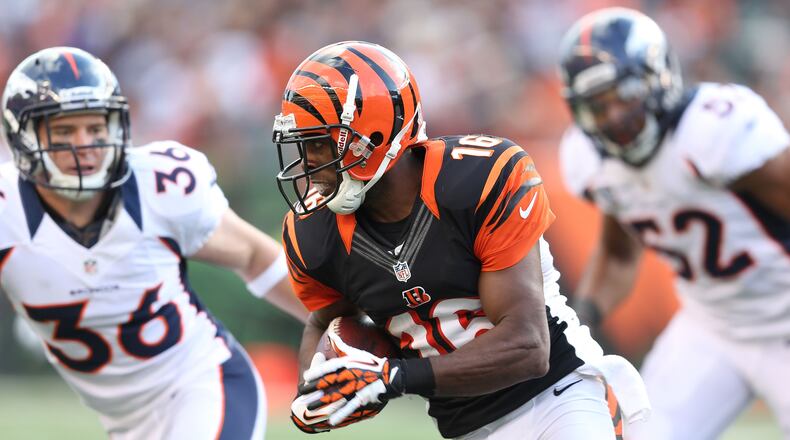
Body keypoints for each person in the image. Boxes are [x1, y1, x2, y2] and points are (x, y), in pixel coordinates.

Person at [273, 40, 649, 439]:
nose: (310, 164)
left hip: (560, 396)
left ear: (374, 135)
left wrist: (391, 376)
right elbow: (323, 321)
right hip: (465, 429)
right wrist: (319, 387)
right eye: (303, 146)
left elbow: (528, 346)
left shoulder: (479, 181)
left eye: (319, 144)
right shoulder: (312, 233)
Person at [0, 46, 308, 439]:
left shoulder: (158, 187)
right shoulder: (8, 210)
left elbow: (255, 257)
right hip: (127, 424)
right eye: (64, 132)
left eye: (95, 128)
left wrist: (344, 325)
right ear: (24, 139)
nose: (85, 145)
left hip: (204, 386)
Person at [557, 7, 790, 439]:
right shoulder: (592, 162)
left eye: (621, 96)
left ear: (656, 78)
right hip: (710, 326)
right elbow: (618, 253)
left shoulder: (713, 130)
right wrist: (575, 323)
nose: (612, 118)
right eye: (596, 108)